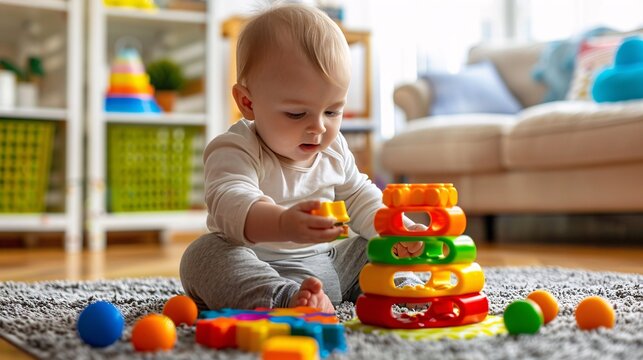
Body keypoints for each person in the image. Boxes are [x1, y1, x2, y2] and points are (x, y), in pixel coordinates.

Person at [180, 3, 423, 313]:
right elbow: (231, 201)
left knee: (371, 243)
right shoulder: (236, 147)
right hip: (259, 264)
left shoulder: (334, 150)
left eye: (333, 111)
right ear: (248, 102)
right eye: (297, 113)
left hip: (333, 267)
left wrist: (394, 229)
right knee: (203, 254)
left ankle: (398, 285)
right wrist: (282, 223)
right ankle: (285, 299)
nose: (319, 127)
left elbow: (360, 196)